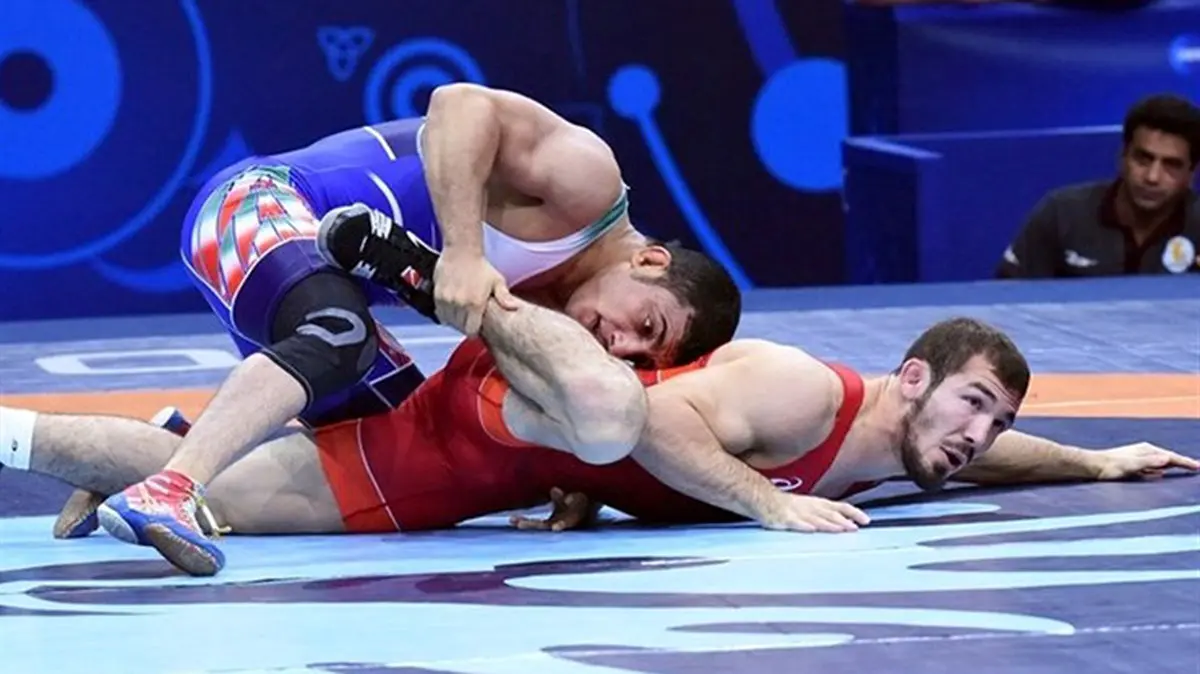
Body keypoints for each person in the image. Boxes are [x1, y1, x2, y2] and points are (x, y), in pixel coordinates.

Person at [93, 82, 741, 566]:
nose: (619, 344)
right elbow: (459, 102)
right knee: (339, 337)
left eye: (638, 356)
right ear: (651, 261)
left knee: (406, 444)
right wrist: (463, 250)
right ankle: (168, 489)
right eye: (646, 324)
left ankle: (136, 464)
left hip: (319, 263)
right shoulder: (588, 184)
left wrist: (572, 477)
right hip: (259, 202)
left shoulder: (554, 311)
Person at [7, 316, 1192, 574]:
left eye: (995, 420)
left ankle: (182, 443)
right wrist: (768, 502)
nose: (980, 435)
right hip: (493, 435)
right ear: (913, 377)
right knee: (229, 499)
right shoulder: (799, 389)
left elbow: (987, 456)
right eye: (974, 404)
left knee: (220, 479)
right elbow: (648, 420)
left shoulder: (907, 441)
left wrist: (1096, 462)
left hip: (519, 453)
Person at [997, 94, 1200, 278]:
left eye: (1171, 165)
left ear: (1191, 172)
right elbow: (1006, 296)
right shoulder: (1061, 214)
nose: (1152, 177)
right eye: (1143, 159)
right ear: (1123, 156)